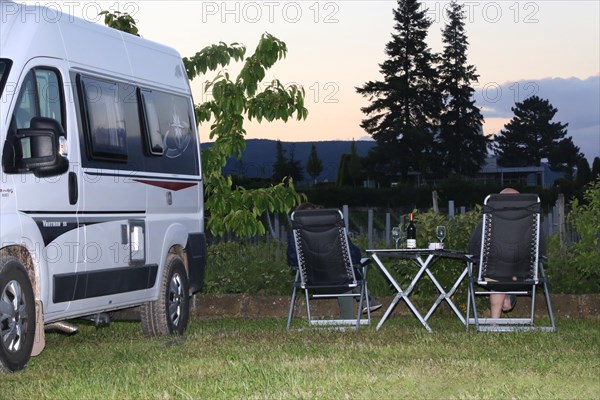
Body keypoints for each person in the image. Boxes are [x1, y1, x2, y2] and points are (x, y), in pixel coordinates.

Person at [287, 202, 382, 318]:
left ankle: (365, 300)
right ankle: (363, 302)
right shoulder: (335, 229)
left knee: (343, 270)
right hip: (340, 280)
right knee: (346, 271)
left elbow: (292, 258)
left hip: (311, 279)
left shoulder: (295, 233)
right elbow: (352, 254)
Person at [468, 188, 547, 319]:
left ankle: (495, 320)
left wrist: (476, 259)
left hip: (492, 275)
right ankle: (509, 296)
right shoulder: (533, 225)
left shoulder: (488, 223)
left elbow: (473, 248)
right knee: (506, 272)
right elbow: (541, 250)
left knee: (497, 273)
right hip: (524, 275)